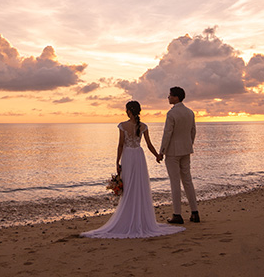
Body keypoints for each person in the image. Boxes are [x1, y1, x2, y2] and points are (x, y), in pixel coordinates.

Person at [81, 101, 185, 239]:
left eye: (126, 109)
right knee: (139, 186)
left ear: (129, 111)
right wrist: (157, 156)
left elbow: (120, 145)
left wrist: (117, 162)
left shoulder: (123, 126)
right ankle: (138, 216)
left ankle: (129, 215)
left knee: (129, 186)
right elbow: (149, 145)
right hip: (139, 156)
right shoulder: (143, 126)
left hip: (128, 156)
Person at [156, 86, 199, 224]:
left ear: (176, 97)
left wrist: (161, 151)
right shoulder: (190, 112)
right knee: (187, 181)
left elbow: (167, 133)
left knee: (175, 182)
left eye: (170, 95)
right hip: (186, 150)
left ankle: (177, 214)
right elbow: (193, 131)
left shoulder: (172, 114)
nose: (168, 97)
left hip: (173, 152)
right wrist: (188, 144)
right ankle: (194, 212)